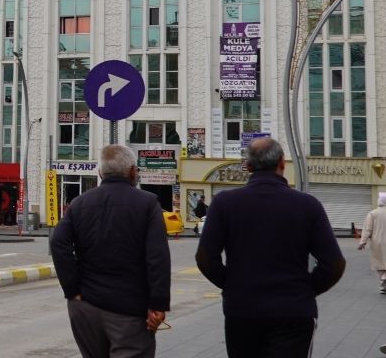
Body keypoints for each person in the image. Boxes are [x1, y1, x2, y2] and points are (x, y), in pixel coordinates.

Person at [196, 137, 344, 357]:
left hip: (242, 310)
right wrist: (306, 289)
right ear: (282, 163)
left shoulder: (224, 203)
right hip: (293, 311)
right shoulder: (307, 205)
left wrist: (232, 285)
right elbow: (334, 263)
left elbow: (206, 258)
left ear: (247, 166)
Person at [50, 145, 170, 358]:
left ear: (100, 173)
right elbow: (157, 257)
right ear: (133, 171)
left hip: (85, 307)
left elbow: (58, 242)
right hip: (129, 312)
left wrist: (72, 289)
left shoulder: (79, 203)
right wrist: (158, 304)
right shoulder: (147, 203)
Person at [358, 194, 386, 294]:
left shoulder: (373, 214)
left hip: (377, 242)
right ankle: (383, 283)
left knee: (380, 263)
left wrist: (362, 242)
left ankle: (383, 282)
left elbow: (367, 229)